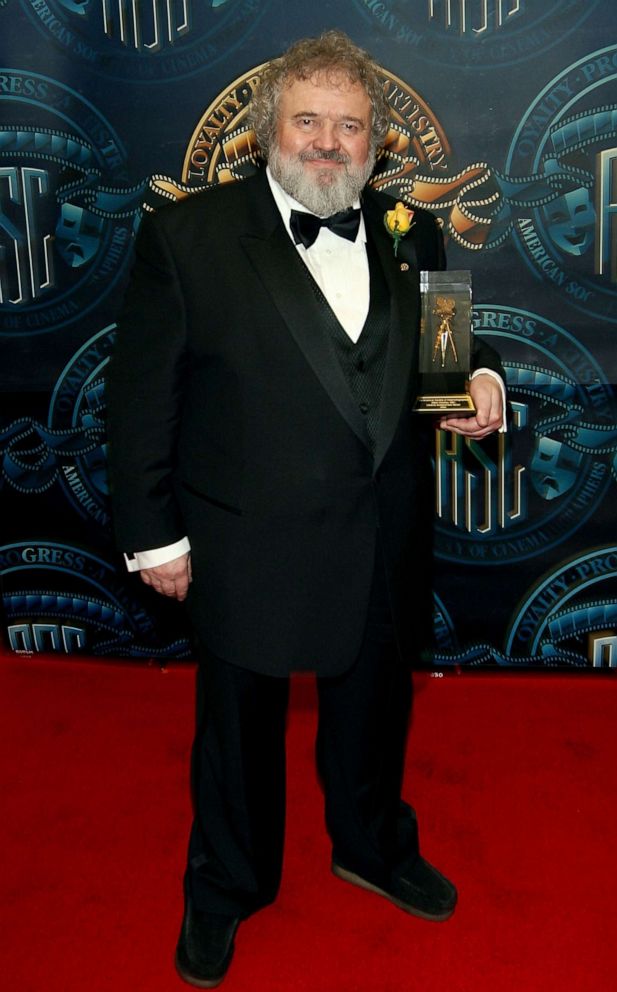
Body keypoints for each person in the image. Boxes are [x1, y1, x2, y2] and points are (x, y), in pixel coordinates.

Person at [107, 30, 504, 988]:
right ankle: (226, 885)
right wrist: (152, 534)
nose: (329, 143)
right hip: (246, 540)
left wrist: (478, 379)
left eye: (350, 126)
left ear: (375, 143)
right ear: (266, 132)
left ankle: (370, 846)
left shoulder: (414, 229)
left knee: (373, 713)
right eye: (309, 121)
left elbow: (441, 369)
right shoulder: (187, 236)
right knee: (237, 733)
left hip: (381, 535)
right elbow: (139, 400)